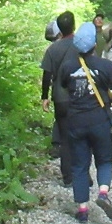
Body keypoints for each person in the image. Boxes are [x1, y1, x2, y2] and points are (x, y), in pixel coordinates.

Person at [58, 21, 112, 223]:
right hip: (99, 119)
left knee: (79, 165)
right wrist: (111, 94)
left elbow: (63, 85)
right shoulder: (105, 65)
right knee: (104, 159)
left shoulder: (68, 66)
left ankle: (82, 210)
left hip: (76, 121)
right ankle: (103, 193)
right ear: (94, 44)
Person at [40, 11, 79, 186]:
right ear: (74, 25)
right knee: (81, 135)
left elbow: (47, 74)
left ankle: (68, 177)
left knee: (64, 137)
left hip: (60, 97)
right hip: (80, 96)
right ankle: (82, 172)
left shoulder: (52, 49)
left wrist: (44, 97)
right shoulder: (82, 45)